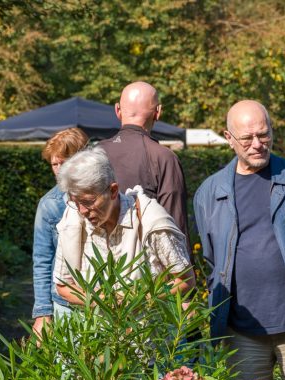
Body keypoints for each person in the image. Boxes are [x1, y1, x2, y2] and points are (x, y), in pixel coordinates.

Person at [193, 100, 285, 380]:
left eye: (263, 134)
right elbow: (212, 257)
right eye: (247, 138)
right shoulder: (210, 192)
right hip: (241, 331)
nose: (257, 144)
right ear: (229, 138)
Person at [52, 148, 194, 304]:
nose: (82, 211)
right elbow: (63, 285)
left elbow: (185, 280)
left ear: (113, 191)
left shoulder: (151, 222)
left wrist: (142, 300)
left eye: (88, 202)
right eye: (75, 202)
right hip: (94, 320)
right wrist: (100, 302)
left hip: (147, 319)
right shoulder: (72, 222)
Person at [99, 81, 188, 237]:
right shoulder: (163, 158)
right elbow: (174, 225)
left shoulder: (93, 154)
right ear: (158, 112)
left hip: (98, 250)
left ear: (117, 110)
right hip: (145, 250)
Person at [31, 127, 90, 336]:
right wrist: (43, 313)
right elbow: (42, 259)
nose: (57, 170)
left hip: (105, 300)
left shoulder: (107, 196)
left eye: (63, 163)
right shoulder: (50, 204)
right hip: (65, 303)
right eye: (54, 164)